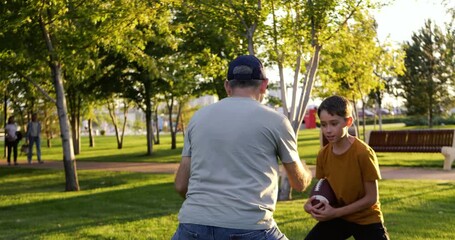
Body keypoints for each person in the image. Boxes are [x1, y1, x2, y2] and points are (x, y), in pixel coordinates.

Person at [172, 55, 313, 239]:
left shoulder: (198, 118)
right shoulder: (276, 121)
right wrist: (306, 172)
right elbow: (299, 183)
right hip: (250, 227)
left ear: (227, 86)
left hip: (192, 225)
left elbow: (181, 185)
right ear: (264, 85)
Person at [303, 95, 389, 240]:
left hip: (366, 218)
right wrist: (310, 204)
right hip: (339, 217)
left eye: (334, 123)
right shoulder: (323, 154)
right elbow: (325, 188)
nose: (328, 130)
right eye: (323, 125)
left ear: (348, 122)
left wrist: (335, 213)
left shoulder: (363, 153)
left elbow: (371, 198)